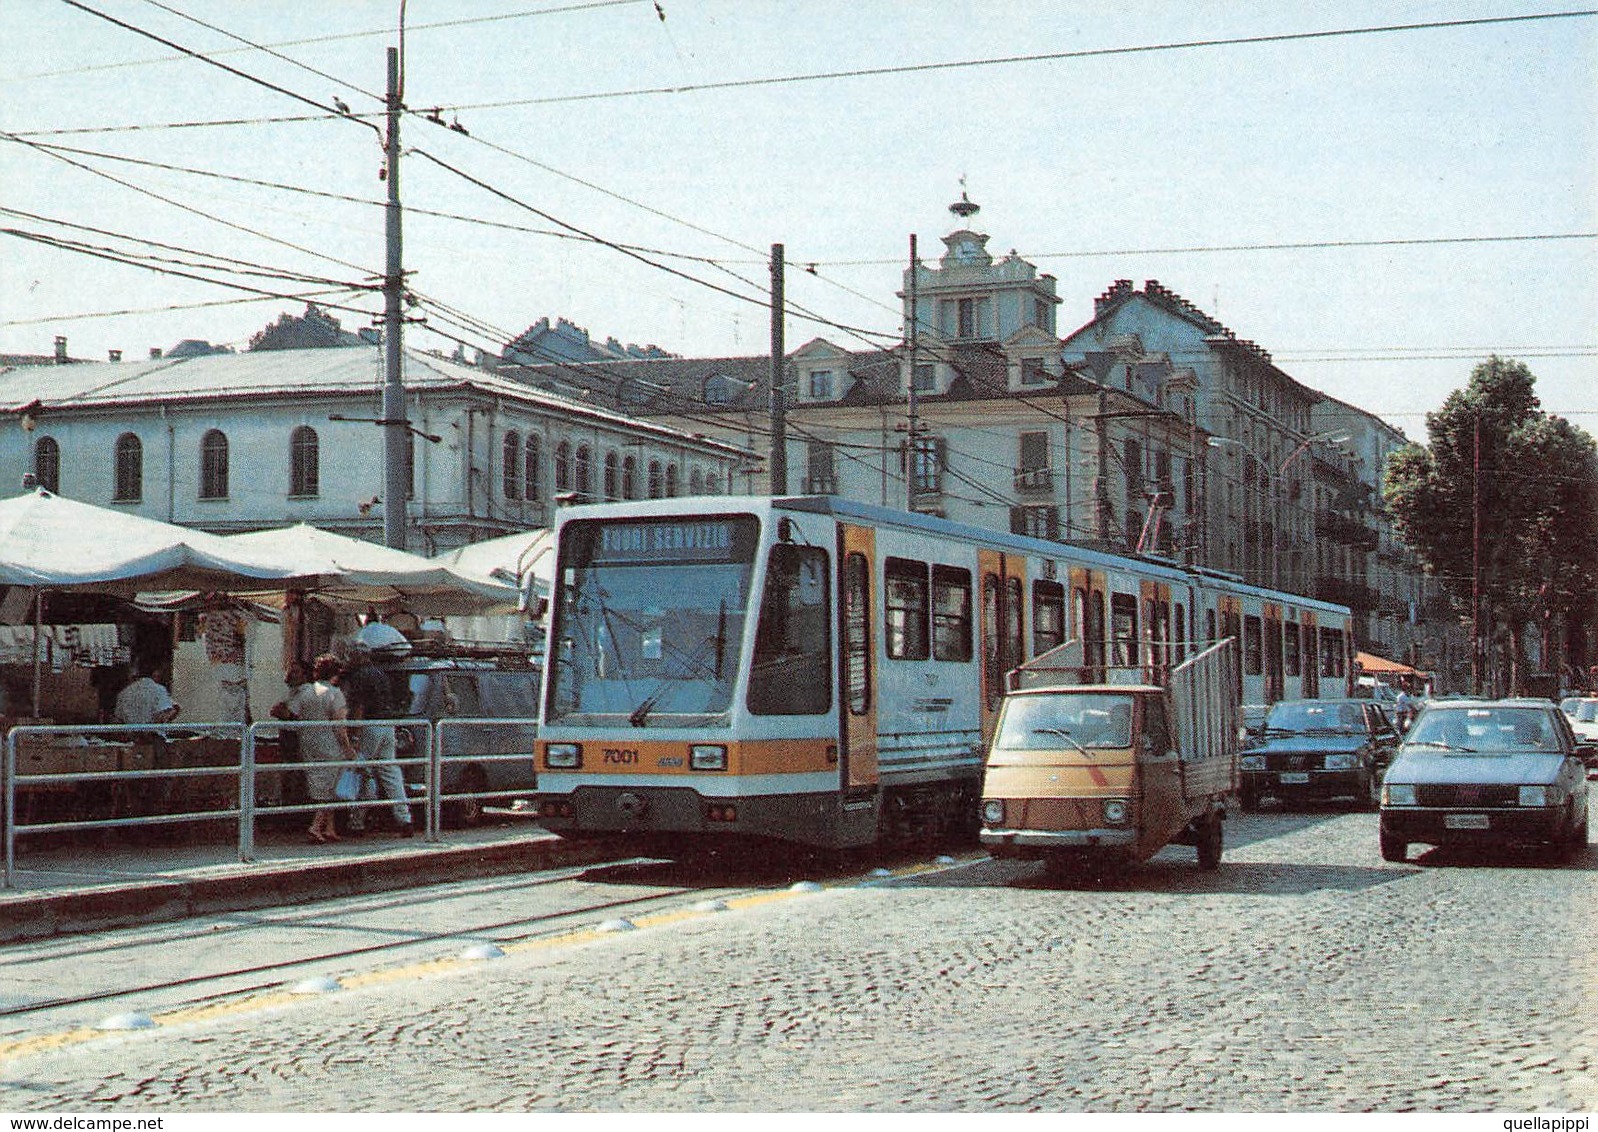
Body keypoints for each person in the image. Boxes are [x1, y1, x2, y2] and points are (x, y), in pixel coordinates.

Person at [340, 623, 415, 838]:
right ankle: (405, 818)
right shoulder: (381, 673)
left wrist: (354, 734)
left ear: (357, 656)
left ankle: (357, 822)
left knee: (363, 771)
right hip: (387, 725)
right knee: (390, 772)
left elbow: (359, 707)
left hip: (370, 726)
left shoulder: (359, 676)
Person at [283, 653, 356, 843]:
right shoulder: (335, 693)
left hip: (308, 743)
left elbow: (293, 713)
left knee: (321, 784)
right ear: (337, 673)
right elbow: (340, 727)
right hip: (329, 745)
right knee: (330, 787)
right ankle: (315, 827)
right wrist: (348, 748)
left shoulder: (305, 691)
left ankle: (329, 828)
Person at [114, 665, 180, 725]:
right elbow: (165, 714)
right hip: (152, 734)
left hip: (131, 735)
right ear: (155, 672)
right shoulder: (158, 690)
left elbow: (118, 718)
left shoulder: (124, 693)